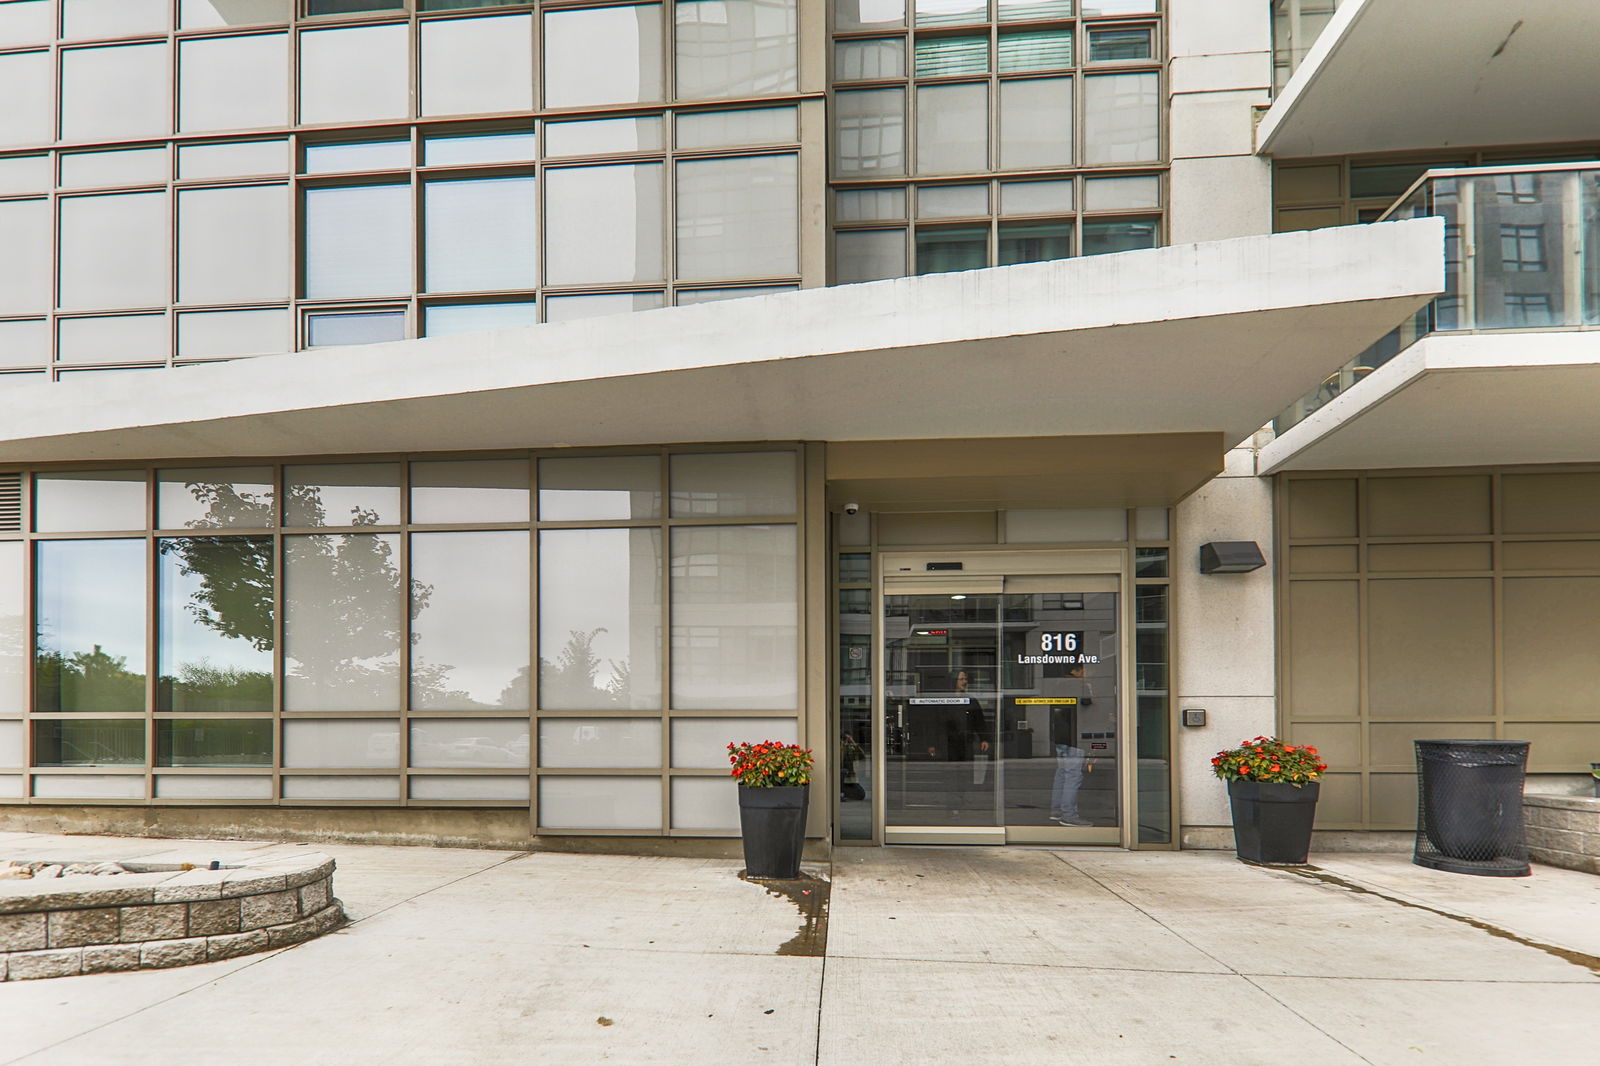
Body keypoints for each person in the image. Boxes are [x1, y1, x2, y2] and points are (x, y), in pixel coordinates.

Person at [1050, 699, 1092, 826]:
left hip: (1061, 740)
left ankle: (1057, 810)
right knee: (1073, 776)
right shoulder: (1079, 692)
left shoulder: (1059, 695)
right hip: (1073, 742)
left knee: (1062, 774)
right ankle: (1069, 815)